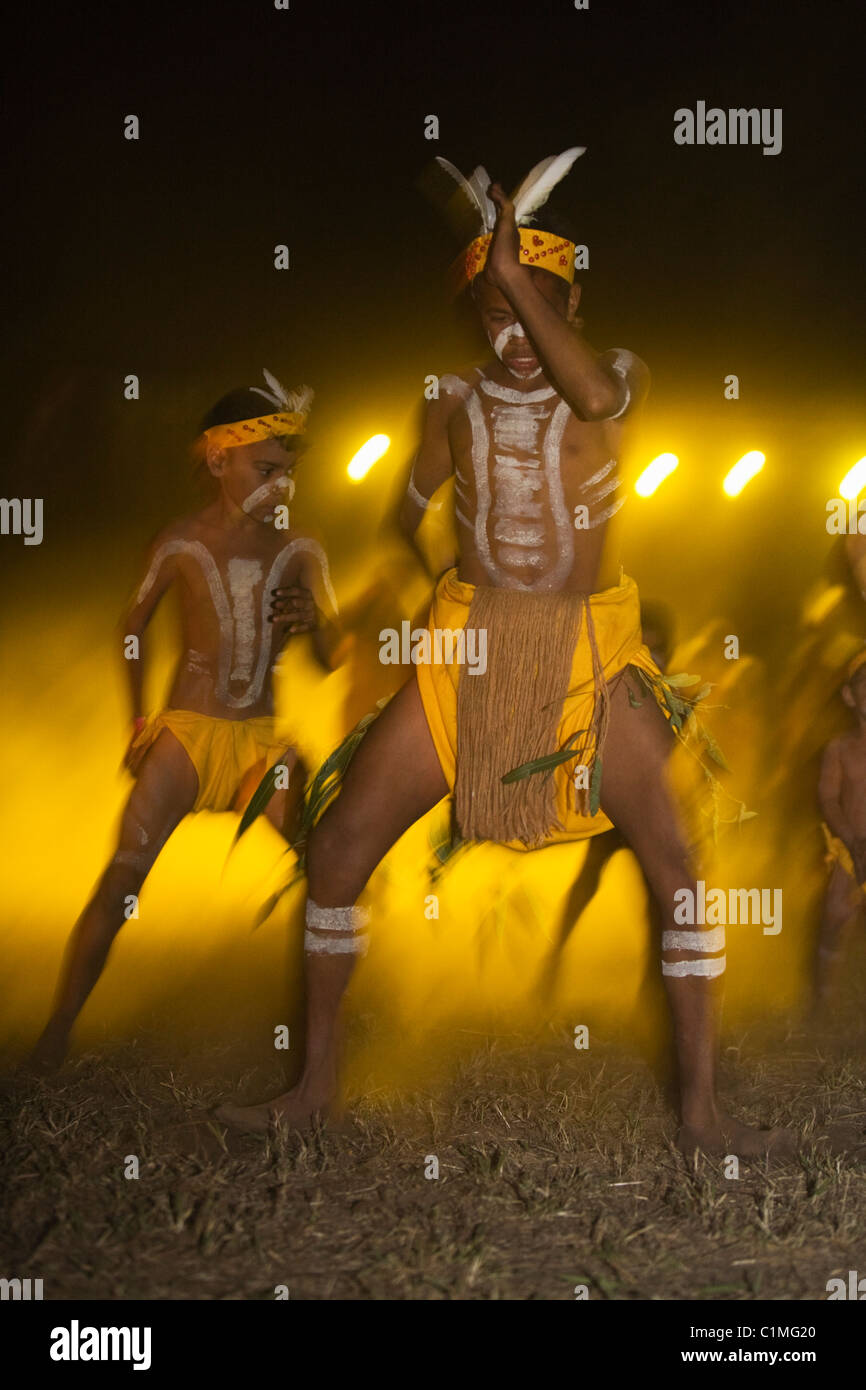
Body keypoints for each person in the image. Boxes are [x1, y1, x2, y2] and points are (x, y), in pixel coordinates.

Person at [217, 154, 789, 1157]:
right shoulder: (446, 400)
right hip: (466, 653)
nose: (514, 337)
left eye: (534, 308)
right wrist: (428, 567)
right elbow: (405, 506)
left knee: (679, 871)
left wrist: (516, 275)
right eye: (492, 315)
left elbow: (597, 398)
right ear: (466, 318)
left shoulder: (610, 378)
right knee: (341, 851)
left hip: (588, 659)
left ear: (568, 300)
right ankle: (312, 1086)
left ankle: (701, 1110)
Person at [27, 374, 339, 1071]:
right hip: (186, 735)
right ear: (218, 460)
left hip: (261, 743)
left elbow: (331, 654)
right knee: (120, 881)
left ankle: (321, 1034)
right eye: (267, 470)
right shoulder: (178, 540)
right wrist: (138, 725)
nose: (281, 488)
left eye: (289, 473)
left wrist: (315, 621)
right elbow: (131, 627)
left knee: (330, 870)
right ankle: (56, 1032)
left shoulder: (303, 549)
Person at [815, 651, 866, 1005]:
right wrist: (851, 840)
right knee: (836, 915)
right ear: (850, 696)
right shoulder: (840, 749)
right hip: (852, 847)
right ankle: (823, 997)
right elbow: (829, 799)